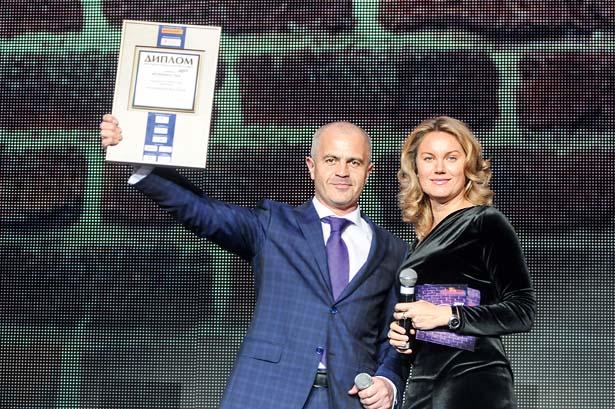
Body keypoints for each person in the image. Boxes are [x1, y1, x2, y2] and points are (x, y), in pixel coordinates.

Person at [100, 114, 409, 409]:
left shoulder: (392, 250)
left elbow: (394, 337)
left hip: (349, 399)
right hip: (266, 393)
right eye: (331, 160)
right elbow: (200, 211)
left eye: (353, 162)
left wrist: (389, 382)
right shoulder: (273, 224)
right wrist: (135, 155)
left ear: (369, 170)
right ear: (311, 167)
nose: (342, 171)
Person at [387, 116, 536, 409]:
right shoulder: (421, 237)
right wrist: (407, 339)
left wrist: (448, 315)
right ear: (415, 168)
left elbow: (522, 311)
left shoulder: (485, 222)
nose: (439, 168)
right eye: (429, 158)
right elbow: (433, 328)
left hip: (472, 381)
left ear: (468, 166)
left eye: (451, 158)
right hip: (425, 386)